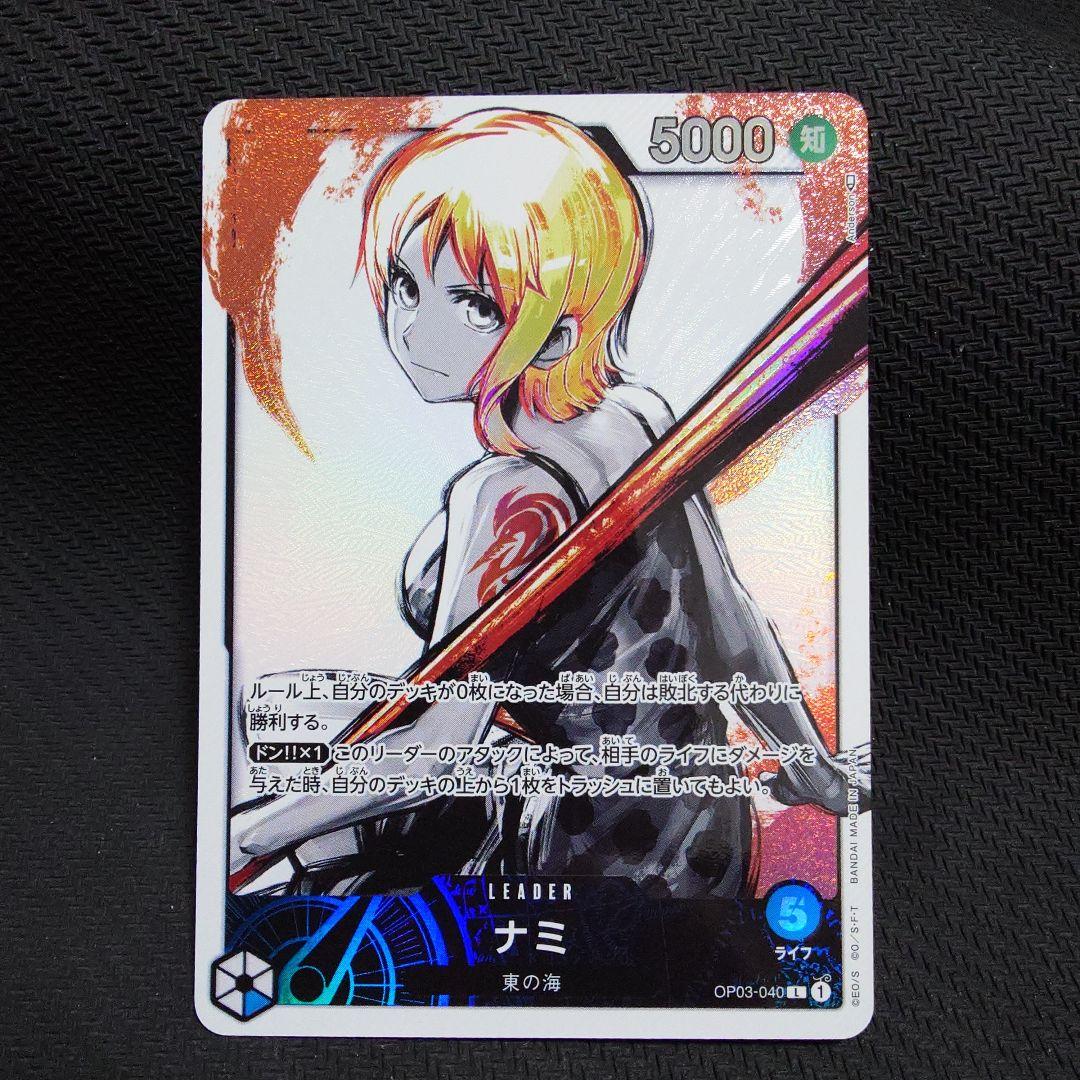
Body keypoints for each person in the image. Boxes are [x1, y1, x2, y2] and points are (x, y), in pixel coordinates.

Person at [231, 108, 862, 898]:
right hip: (703, 828)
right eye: (405, 285)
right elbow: (730, 619)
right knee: (294, 727)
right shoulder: (639, 420)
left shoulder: (506, 497)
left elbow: (436, 756)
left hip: (588, 853)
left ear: (559, 337)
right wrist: (812, 768)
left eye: (474, 305)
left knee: (300, 821)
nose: (412, 330)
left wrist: (249, 835)